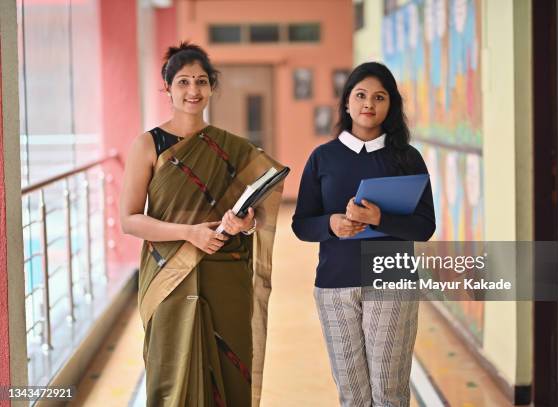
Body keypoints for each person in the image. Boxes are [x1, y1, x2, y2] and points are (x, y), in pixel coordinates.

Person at [120, 42, 284, 407]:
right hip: (168, 275)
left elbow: (253, 214)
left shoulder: (234, 149)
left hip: (224, 273)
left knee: (228, 366)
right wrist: (188, 233)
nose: (192, 91)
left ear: (211, 87)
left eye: (200, 81)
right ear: (167, 88)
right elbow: (129, 220)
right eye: (182, 82)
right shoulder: (149, 145)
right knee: (171, 369)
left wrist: (245, 225)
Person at [292, 62, 436, 406]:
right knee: (353, 396)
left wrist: (380, 218)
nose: (368, 103)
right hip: (334, 284)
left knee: (388, 393)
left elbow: (425, 227)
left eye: (379, 97)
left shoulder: (407, 158)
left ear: (390, 106)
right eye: (360, 95)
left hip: (391, 280)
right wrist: (332, 224)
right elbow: (301, 224)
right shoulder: (322, 158)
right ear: (346, 103)